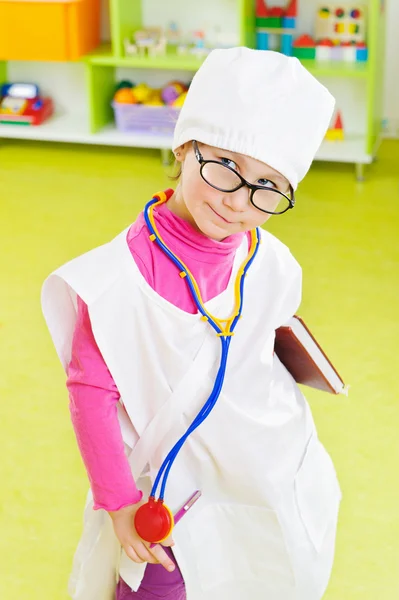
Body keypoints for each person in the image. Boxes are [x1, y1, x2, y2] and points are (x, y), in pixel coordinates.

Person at [41, 47, 342, 600]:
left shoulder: (269, 258)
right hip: (169, 488)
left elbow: (266, 339)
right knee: (164, 583)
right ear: (184, 147)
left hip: (261, 470)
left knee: (259, 572)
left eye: (267, 187)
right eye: (225, 166)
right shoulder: (113, 284)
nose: (237, 201)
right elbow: (90, 396)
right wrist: (118, 502)